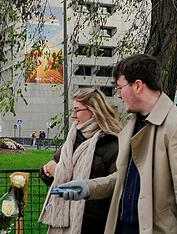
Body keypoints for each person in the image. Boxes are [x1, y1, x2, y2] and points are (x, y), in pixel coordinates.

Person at [54, 54, 177, 234]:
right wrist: (88, 187)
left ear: (138, 85)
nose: (118, 95)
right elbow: (123, 178)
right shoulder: (132, 125)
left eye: (120, 87)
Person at [38, 89, 121, 233]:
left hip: (94, 224)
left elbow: (116, 187)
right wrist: (46, 171)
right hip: (64, 222)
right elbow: (54, 177)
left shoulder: (113, 143)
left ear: (93, 111)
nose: (73, 115)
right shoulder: (72, 140)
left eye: (77, 110)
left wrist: (58, 172)